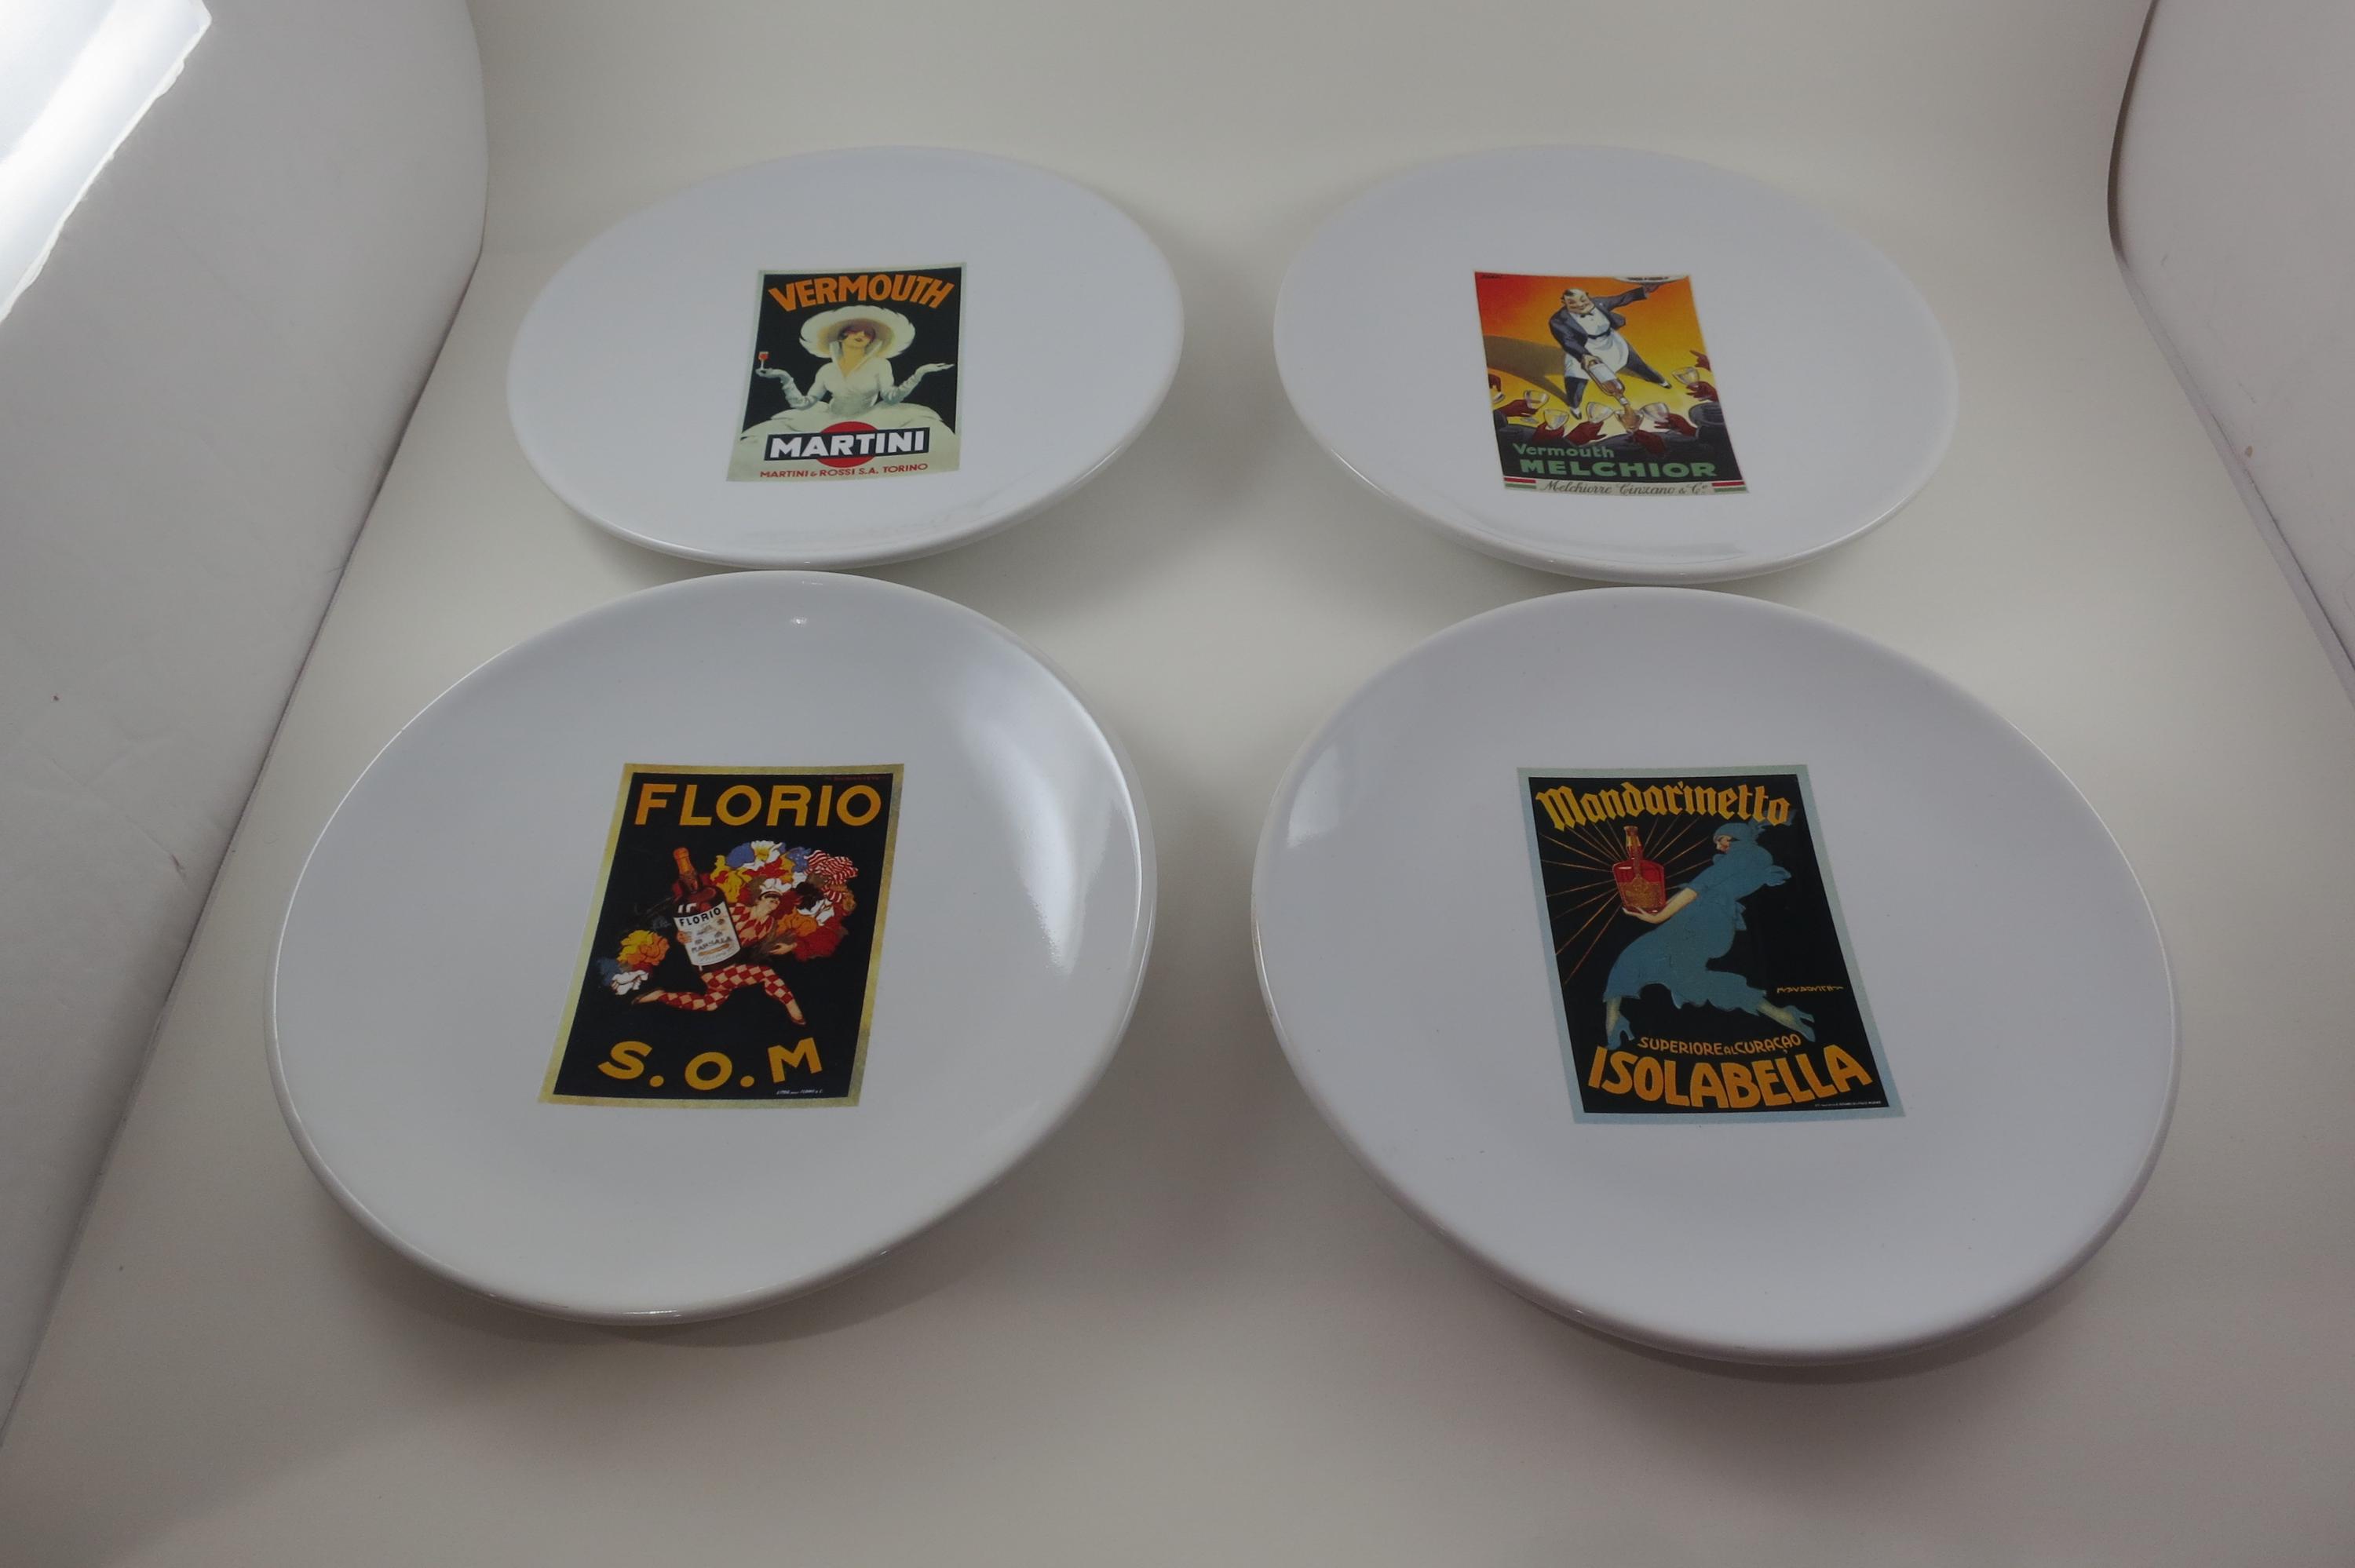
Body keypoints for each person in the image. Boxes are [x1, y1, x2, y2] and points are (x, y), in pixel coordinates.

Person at [1599, 820, 1816, 1047]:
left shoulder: (1743, 857)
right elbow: (1694, 891)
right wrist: (1659, 910)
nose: (1718, 847)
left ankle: (1613, 1020)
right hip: (1710, 923)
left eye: (1721, 840)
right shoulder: (1758, 859)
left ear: (1737, 837)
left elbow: (1697, 888)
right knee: (1681, 975)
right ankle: (1782, 1015)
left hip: (1702, 921)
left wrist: (1657, 917)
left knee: (1648, 961)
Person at [1550, 284, 1672, 419]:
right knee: (1576, 379)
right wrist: (1584, 355)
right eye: (1572, 303)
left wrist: (1644, 290)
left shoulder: (1599, 302)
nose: (1580, 305)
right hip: (1584, 348)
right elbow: (1568, 341)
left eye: (1583, 299)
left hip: (1610, 342)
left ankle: (1661, 381)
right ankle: (1574, 406)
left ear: (1588, 296)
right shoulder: (1557, 320)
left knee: (1637, 363)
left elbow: (1621, 299)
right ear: (1564, 302)